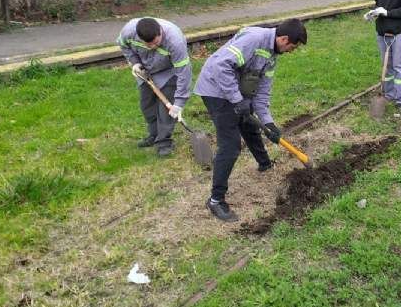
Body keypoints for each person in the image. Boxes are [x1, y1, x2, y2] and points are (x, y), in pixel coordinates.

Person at [195, 18, 308, 222]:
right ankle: (215, 200)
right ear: (283, 39)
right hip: (215, 90)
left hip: (236, 89)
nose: (292, 51)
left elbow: (262, 92)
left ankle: (265, 164)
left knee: (250, 125)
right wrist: (238, 100)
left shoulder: (272, 55)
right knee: (230, 146)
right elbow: (221, 67)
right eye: (293, 46)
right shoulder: (254, 39)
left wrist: (268, 123)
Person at [118, 17, 192, 157]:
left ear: (160, 32)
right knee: (147, 105)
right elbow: (123, 45)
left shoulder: (175, 40)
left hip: (169, 71)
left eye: (156, 42)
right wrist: (134, 62)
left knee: (165, 110)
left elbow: (184, 72)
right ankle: (154, 135)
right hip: (146, 71)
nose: (153, 46)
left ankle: (164, 142)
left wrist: (179, 103)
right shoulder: (128, 31)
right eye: (148, 44)